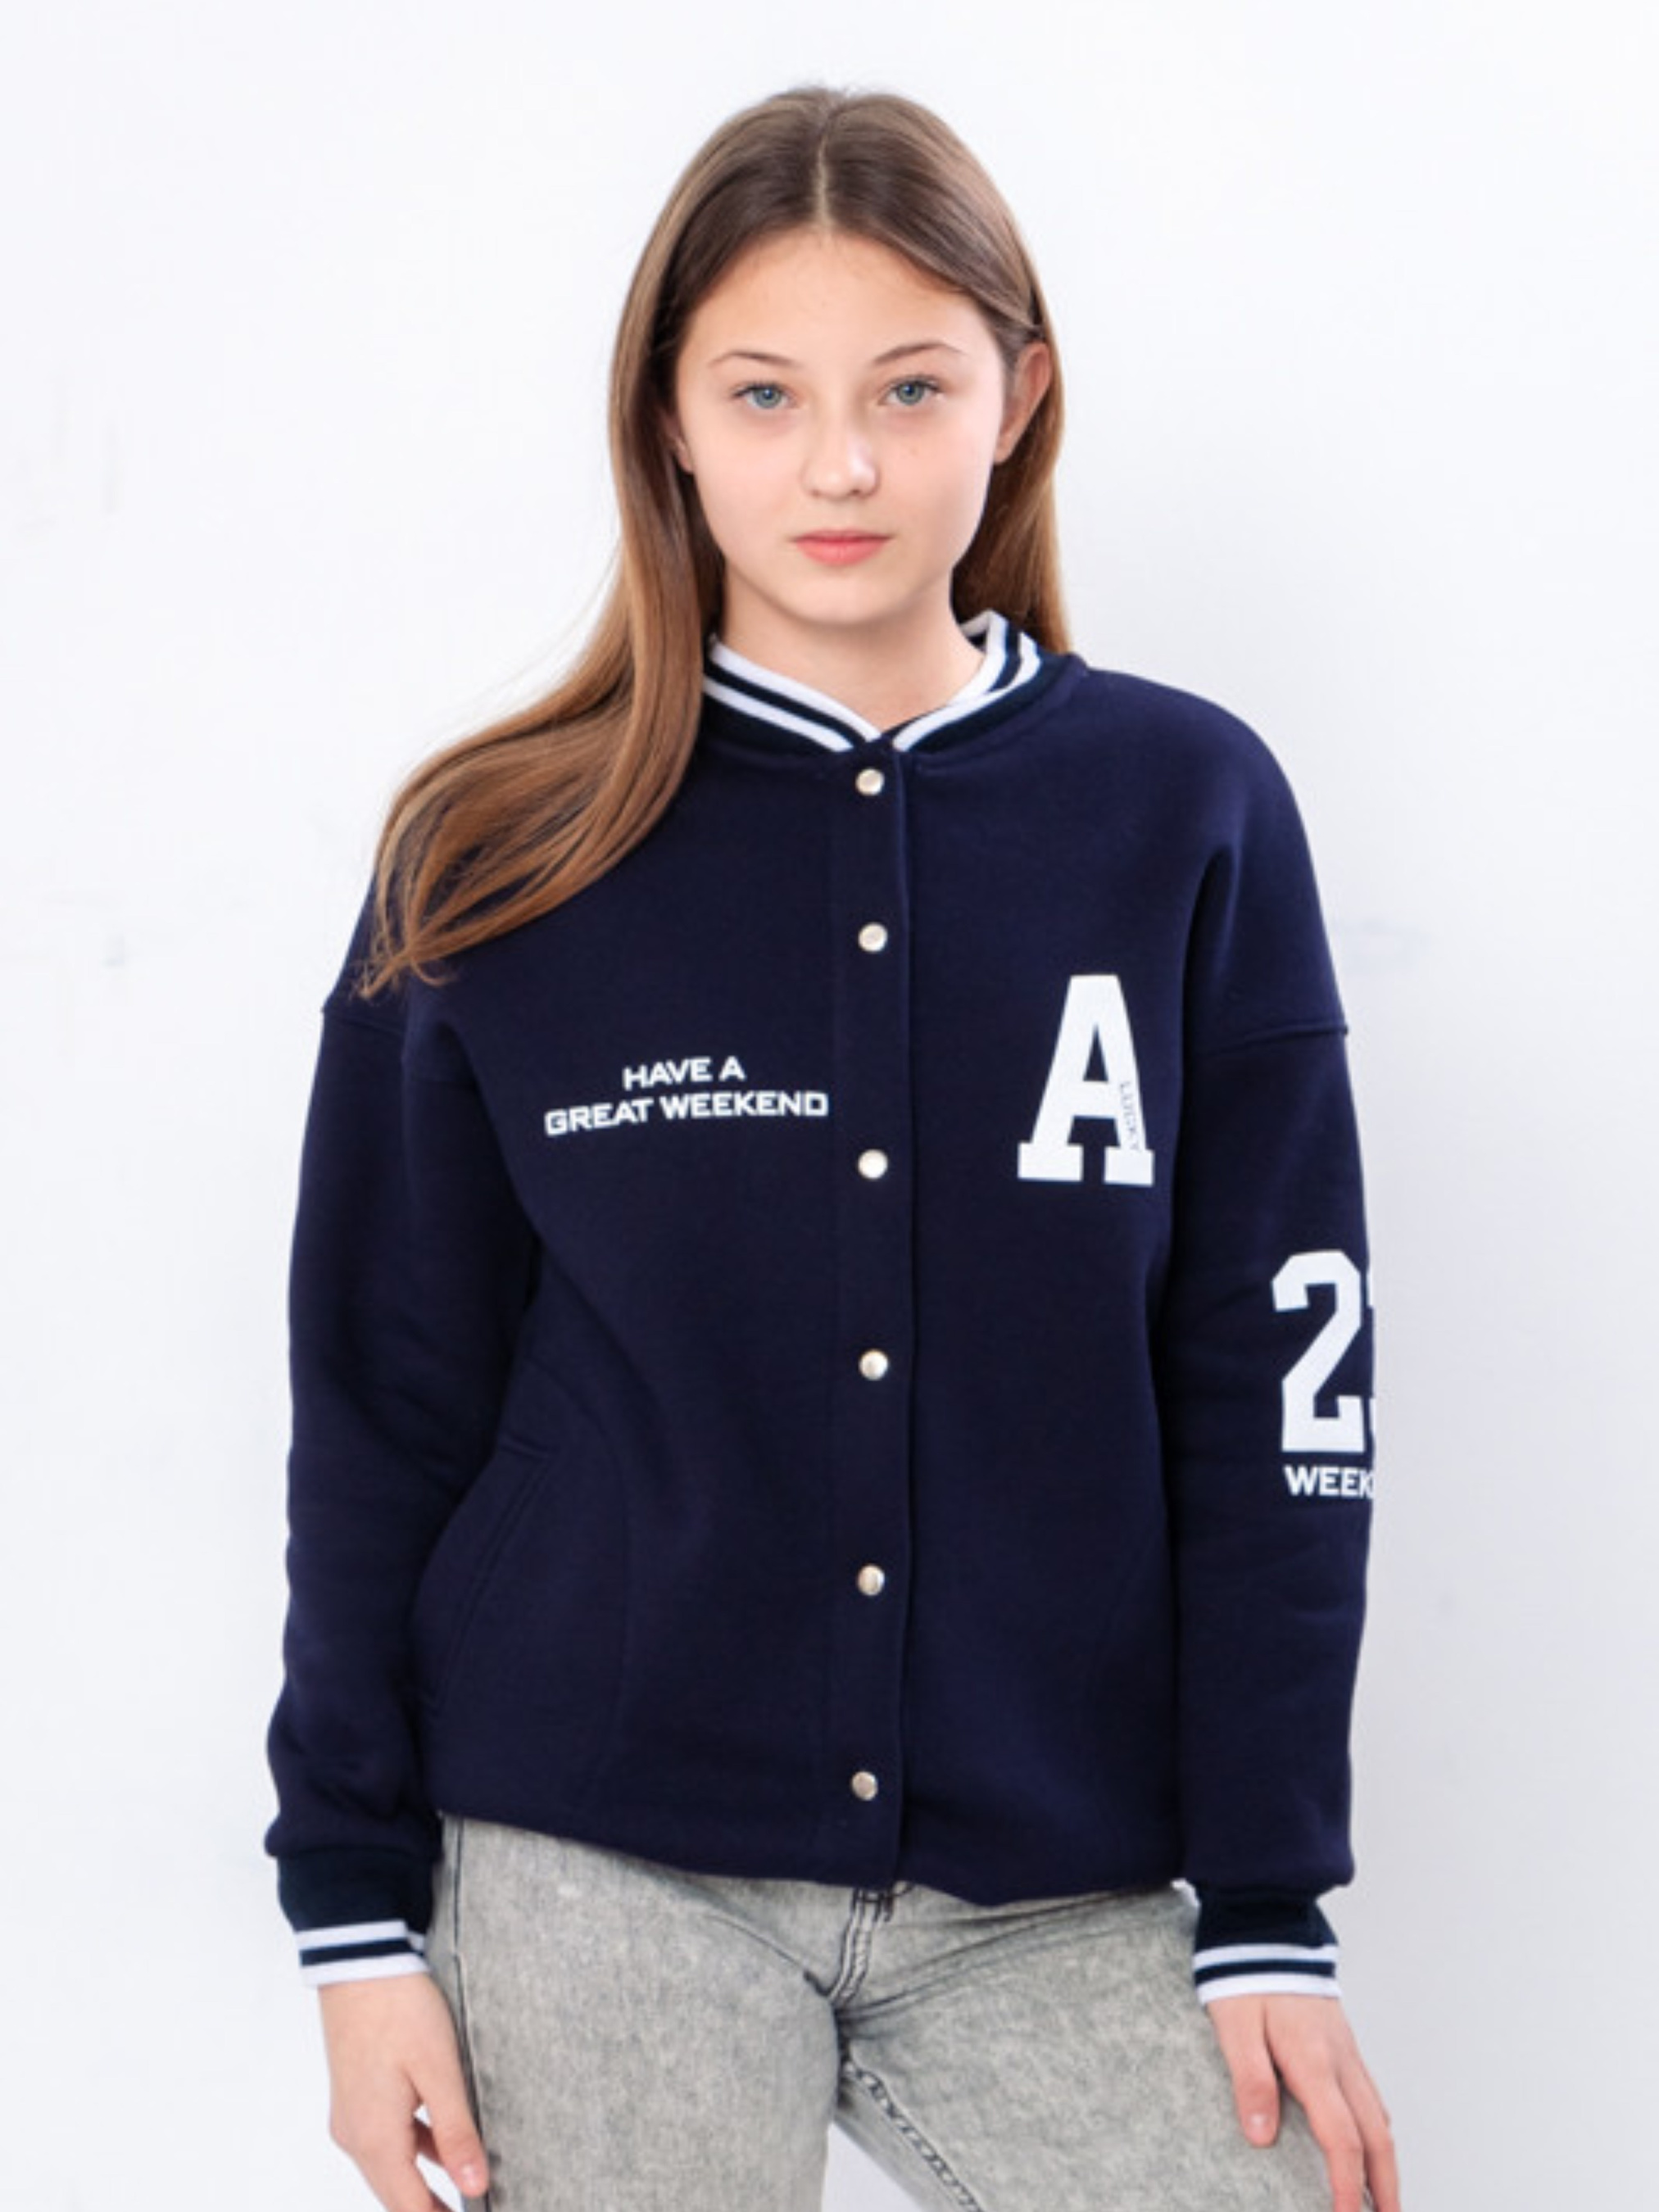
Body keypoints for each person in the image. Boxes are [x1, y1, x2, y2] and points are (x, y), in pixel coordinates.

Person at [265, 84, 1399, 2212]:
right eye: (766, 393)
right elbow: (381, 1399)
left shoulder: (1186, 811)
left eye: (910, 386)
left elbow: (1280, 1385)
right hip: (598, 1854)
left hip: (1054, 1877)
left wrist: (1266, 1901)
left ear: (1020, 394)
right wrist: (351, 1914)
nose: (843, 465)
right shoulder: (493, 850)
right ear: (672, 423)